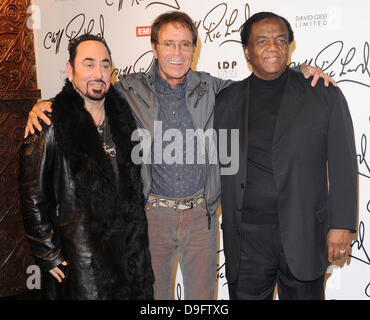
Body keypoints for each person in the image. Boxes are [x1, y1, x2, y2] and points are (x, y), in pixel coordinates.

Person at [24, 12, 335, 300]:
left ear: (194, 50)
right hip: (151, 217)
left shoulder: (214, 88)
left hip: (201, 216)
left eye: (185, 45)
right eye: (169, 44)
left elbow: (261, 86)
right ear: (155, 47)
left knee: (203, 300)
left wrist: (298, 71)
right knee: (153, 298)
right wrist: (46, 105)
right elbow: (90, 93)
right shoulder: (128, 90)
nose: (177, 52)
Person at [214, 12, 358, 300]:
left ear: (290, 46)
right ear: (247, 51)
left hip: (304, 232)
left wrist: (341, 225)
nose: (273, 48)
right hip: (246, 240)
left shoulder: (323, 93)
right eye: (262, 41)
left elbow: (343, 163)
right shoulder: (226, 101)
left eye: (281, 40)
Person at [19, 34, 154, 300]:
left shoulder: (124, 119)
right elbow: (32, 196)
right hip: (82, 263)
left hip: (129, 257)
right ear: (70, 69)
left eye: (105, 65)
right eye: (89, 64)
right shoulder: (49, 124)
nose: (98, 73)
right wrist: (48, 253)